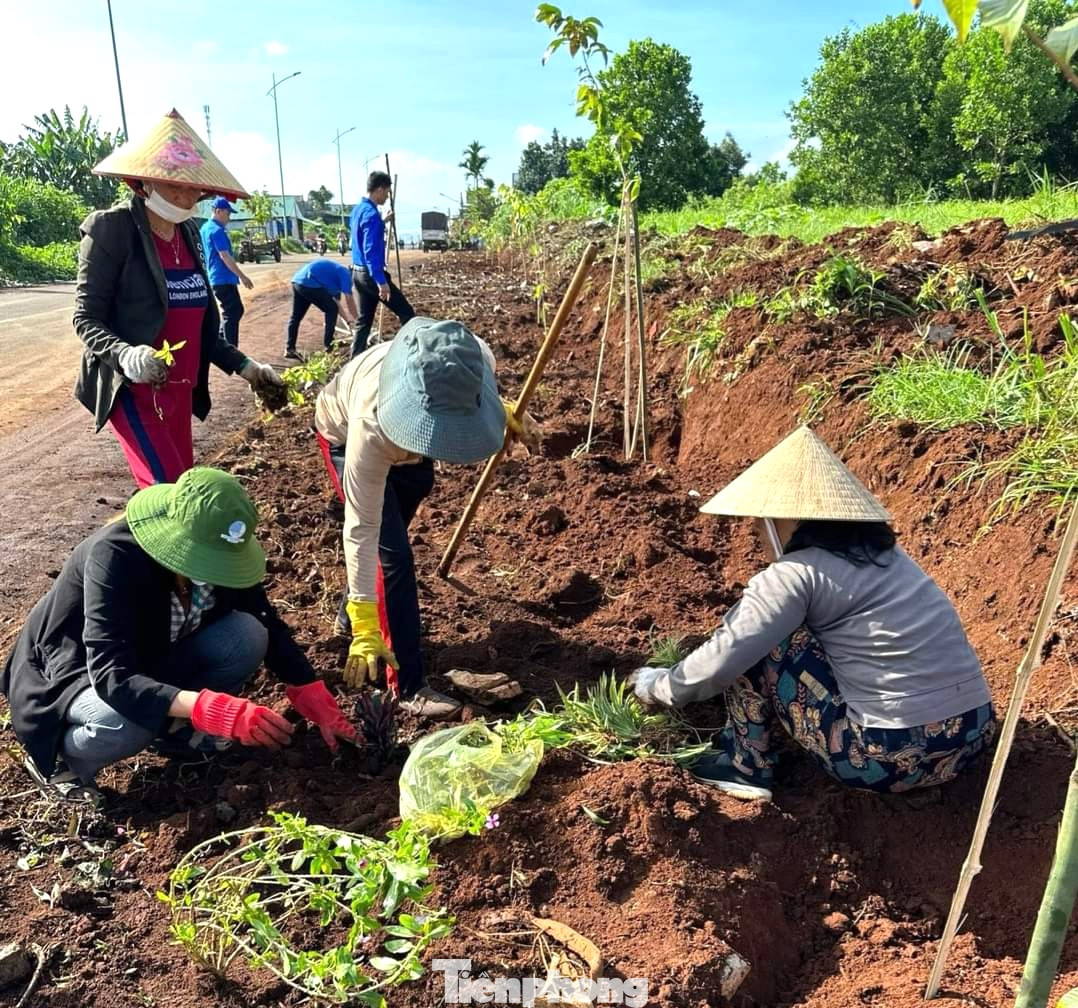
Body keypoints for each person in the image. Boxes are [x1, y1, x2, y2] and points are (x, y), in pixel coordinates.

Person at [631, 426, 996, 802]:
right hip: (973, 739)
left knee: (769, 641)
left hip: (883, 759)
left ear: (785, 520)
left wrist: (658, 686)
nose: (757, 533)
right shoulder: (893, 561)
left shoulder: (795, 574)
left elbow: (725, 658)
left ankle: (746, 765)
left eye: (759, 524)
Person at [1, 467, 357, 804]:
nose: (218, 570)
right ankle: (63, 760)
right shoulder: (115, 557)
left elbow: (265, 618)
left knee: (247, 635)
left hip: (150, 656)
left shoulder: (221, 554)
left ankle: (174, 733)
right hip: (73, 675)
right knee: (127, 723)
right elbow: (113, 677)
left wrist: (309, 691)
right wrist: (208, 708)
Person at [315, 317, 540, 720]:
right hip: (343, 436)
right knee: (393, 559)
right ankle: (407, 686)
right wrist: (367, 623)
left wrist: (497, 411)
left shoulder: (473, 357)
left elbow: (476, 388)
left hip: (407, 453)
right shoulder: (371, 425)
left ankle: (353, 602)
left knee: (407, 505)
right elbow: (360, 528)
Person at [75, 109, 284, 490]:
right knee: (171, 498)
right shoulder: (111, 230)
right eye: (175, 185)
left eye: (193, 188)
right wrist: (126, 355)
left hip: (179, 392)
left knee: (176, 493)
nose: (186, 195)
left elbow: (201, 329)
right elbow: (86, 318)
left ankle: (138, 547)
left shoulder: (188, 234)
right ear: (143, 183)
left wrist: (247, 367)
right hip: (134, 390)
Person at [349, 170, 414, 356]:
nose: (386, 197)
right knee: (406, 313)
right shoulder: (371, 214)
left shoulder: (358, 210)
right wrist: (381, 281)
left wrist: (383, 221)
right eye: (386, 192)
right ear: (379, 189)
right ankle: (408, 354)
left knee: (364, 321)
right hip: (371, 275)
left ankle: (355, 359)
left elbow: (360, 237)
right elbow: (370, 252)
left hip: (357, 274)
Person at [200, 195, 253, 348]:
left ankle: (221, 344)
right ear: (218, 211)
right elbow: (225, 256)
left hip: (218, 277)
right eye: (228, 213)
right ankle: (230, 350)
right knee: (233, 311)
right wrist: (242, 276)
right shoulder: (216, 231)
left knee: (233, 311)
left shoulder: (205, 228)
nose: (229, 218)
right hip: (222, 277)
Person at [285, 258, 359, 359]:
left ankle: (290, 349)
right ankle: (329, 345)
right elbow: (349, 300)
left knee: (296, 317)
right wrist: (359, 321)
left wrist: (349, 321)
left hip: (298, 282)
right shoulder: (346, 275)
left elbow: (337, 303)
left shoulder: (335, 277)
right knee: (331, 310)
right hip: (309, 282)